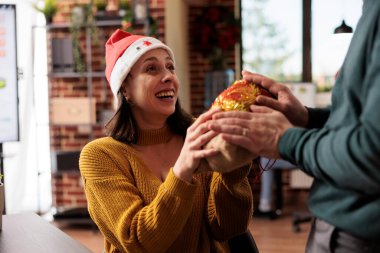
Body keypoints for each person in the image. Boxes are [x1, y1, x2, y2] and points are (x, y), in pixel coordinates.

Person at [209, 1, 380, 252]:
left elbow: (370, 153)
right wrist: (307, 117)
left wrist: (286, 139)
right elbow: (363, 119)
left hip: (359, 232)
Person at [79, 29, 253, 253]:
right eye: (151, 69)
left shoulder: (199, 133)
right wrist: (182, 170)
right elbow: (138, 241)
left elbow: (226, 228)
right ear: (125, 88)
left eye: (170, 67)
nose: (168, 76)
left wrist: (234, 167)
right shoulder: (100, 156)